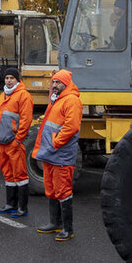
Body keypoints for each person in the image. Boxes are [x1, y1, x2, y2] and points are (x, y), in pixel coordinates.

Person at [32, 69, 82, 241]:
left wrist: (55, 142)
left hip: (60, 154)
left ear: (65, 84)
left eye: (57, 82)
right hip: (51, 153)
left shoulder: (71, 101)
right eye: (53, 82)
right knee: (51, 189)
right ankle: (55, 223)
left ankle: (68, 229)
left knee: (63, 191)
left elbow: (72, 127)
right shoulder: (57, 99)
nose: (54, 85)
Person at [0, 67, 34, 217]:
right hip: (2, 143)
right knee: (8, 175)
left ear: (17, 80)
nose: (9, 81)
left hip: (13, 143)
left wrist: (17, 140)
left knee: (20, 175)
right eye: (7, 78)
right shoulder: (3, 95)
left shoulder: (24, 96)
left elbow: (26, 121)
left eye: (11, 78)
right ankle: (11, 204)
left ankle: (22, 208)